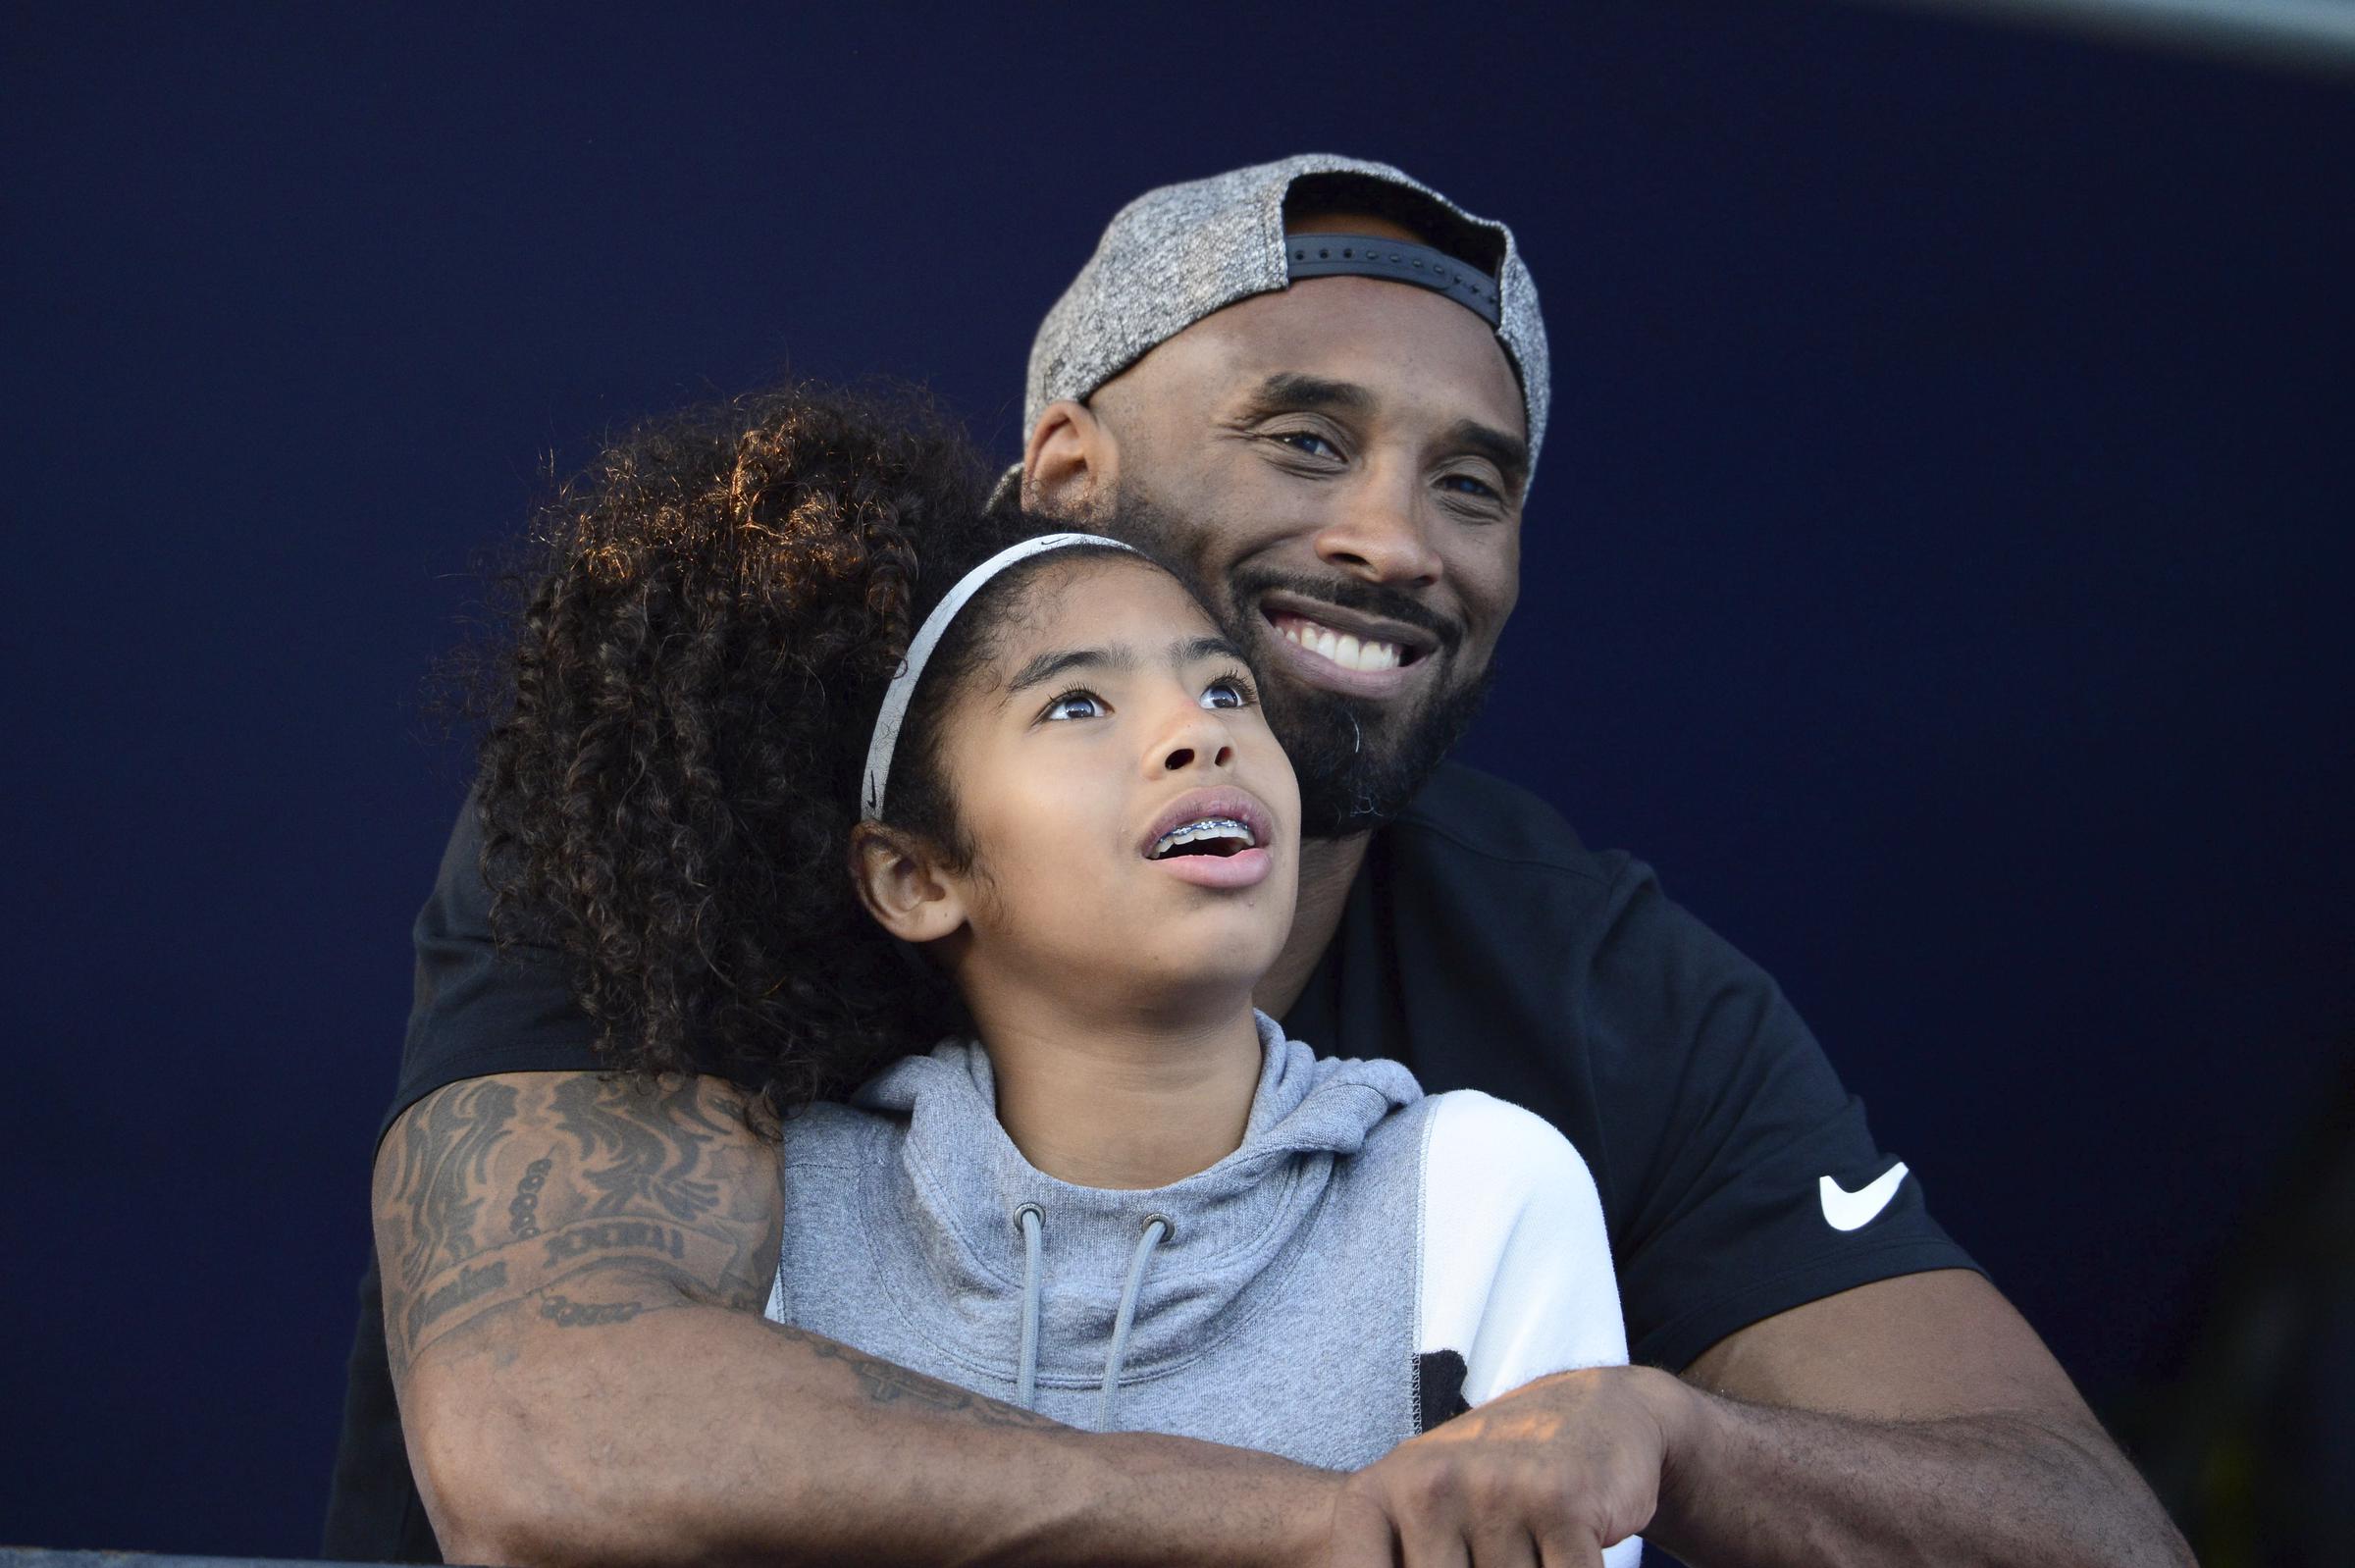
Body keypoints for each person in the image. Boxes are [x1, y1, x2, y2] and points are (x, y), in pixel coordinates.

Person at [333, 155, 2193, 1566]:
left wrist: (1686, 1442)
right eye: (1305, 437)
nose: (1396, 539)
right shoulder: (711, 791)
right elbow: (550, 1431)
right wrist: (1316, 1521)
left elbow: (2089, 1527)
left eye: (1473, 483)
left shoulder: (1596, 988)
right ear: (1064, 472)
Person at [425, 383, 1640, 1564]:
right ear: (915, 877)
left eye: (1225, 686)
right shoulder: (791, 1213)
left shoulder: (1482, 1190)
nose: (1199, 728)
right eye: (1076, 705)